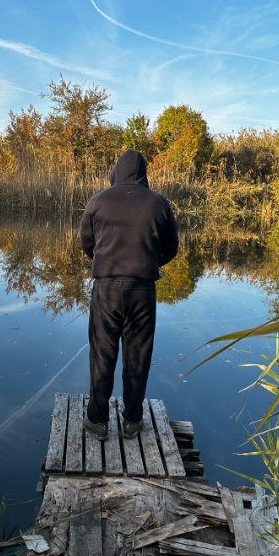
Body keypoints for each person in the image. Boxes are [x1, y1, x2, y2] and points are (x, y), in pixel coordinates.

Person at [79, 148, 179, 440]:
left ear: (116, 171)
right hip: (142, 291)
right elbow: (171, 248)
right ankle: (132, 421)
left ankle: (97, 421)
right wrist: (148, 262)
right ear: (143, 173)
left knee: (102, 354)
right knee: (138, 356)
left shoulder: (98, 200)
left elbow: (86, 243)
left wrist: (104, 261)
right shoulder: (159, 203)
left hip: (106, 289)